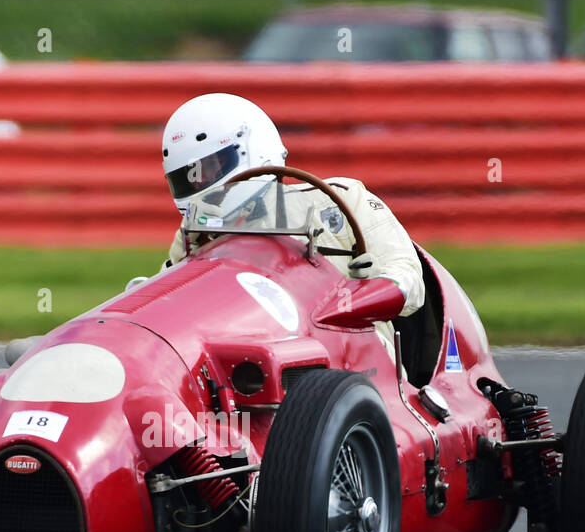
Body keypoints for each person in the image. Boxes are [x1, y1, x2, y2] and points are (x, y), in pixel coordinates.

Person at [147, 92, 425, 365]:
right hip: (246, 364)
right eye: (190, 177)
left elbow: (408, 280)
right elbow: (166, 304)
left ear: (251, 149)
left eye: (211, 167)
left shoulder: (343, 199)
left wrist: (364, 292)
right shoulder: (196, 229)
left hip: (349, 359)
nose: (201, 182)